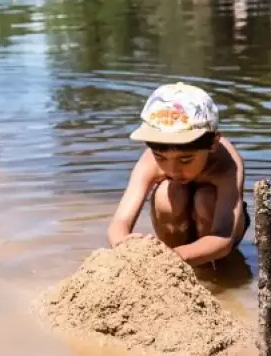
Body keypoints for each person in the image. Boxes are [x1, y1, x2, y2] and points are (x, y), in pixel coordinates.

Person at [106, 82, 249, 267]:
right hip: (176, 242)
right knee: (168, 194)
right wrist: (125, 246)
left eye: (185, 160)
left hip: (220, 228)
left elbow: (223, 238)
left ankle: (214, 270)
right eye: (161, 157)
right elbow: (119, 222)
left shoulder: (227, 165)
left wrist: (170, 258)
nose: (172, 170)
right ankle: (178, 273)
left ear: (213, 143)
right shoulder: (150, 160)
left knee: (205, 200)